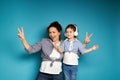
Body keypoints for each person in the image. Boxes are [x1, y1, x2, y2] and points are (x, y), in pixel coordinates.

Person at [17, 21, 91, 80]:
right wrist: (23, 39)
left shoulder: (64, 43)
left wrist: (84, 43)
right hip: (43, 74)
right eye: (50, 32)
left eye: (54, 32)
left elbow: (76, 54)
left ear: (59, 32)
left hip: (57, 75)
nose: (51, 34)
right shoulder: (44, 41)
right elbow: (31, 50)